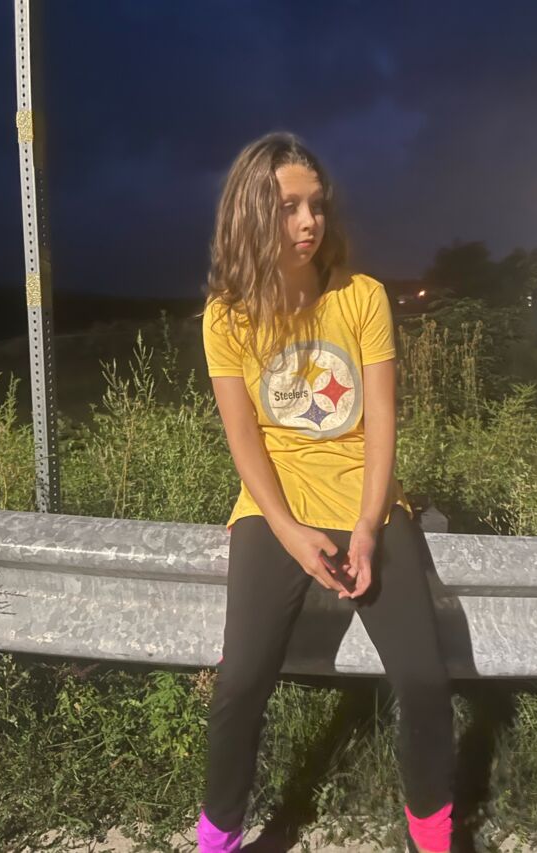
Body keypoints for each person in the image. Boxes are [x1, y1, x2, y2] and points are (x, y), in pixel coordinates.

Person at [196, 132, 456, 853]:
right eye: (288, 207)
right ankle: (217, 840)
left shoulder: (361, 297)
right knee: (241, 682)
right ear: (252, 214)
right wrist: (287, 531)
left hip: (366, 501)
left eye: (315, 204)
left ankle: (434, 836)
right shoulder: (226, 316)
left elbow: (381, 425)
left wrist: (368, 527)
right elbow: (245, 440)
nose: (308, 221)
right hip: (273, 507)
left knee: (424, 680)